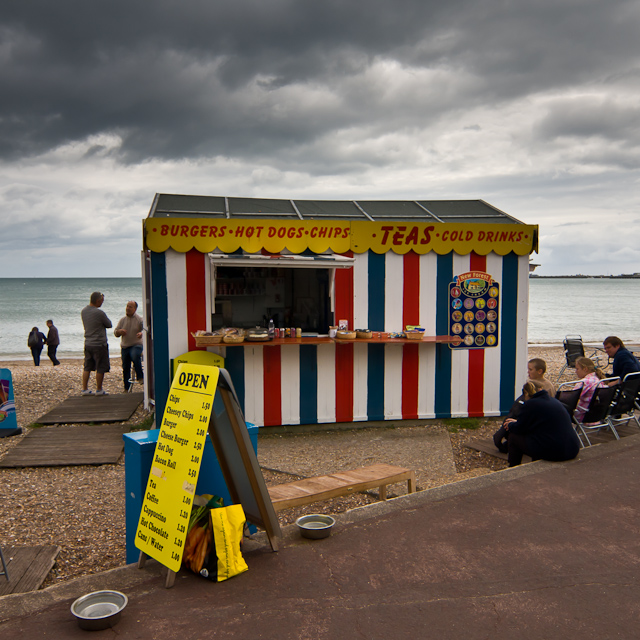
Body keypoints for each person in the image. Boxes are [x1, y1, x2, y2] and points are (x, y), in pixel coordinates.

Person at [503, 380, 581, 467]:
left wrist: (510, 424)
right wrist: (518, 423)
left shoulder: (530, 404)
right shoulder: (553, 401)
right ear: (540, 389)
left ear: (525, 393)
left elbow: (519, 428)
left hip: (557, 452)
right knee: (540, 437)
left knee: (514, 437)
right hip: (572, 448)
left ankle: (513, 467)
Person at [493, 358, 555, 453]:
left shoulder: (547, 387)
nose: (528, 372)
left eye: (530, 369)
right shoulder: (530, 382)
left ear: (540, 371)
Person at [81, 291, 112, 396]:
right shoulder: (99, 313)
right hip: (99, 343)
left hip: (88, 342)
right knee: (101, 366)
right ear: (98, 301)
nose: (102, 303)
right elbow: (109, 324)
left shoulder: (84, 311)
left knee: (87, 366)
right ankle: (99, 389)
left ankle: (84, 388)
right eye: (102, 301)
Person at [114, 300, 144, 391]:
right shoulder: (122, 320)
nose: (128, 308)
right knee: (125, 367)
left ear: (135, 309)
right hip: (125, 346)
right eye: (127, 306)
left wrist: (141, 333)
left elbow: (144, 329)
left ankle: (140, 376)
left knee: (135, 355)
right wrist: (119, 332)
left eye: (130, 307)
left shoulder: (139, 319)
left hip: (136, 345)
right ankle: (126, 388)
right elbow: (115, 332)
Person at [572, 357, 607, 421]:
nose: (575, 372)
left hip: (582, 415)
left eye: (577, 369)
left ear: (585, 369)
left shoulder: (584, 382)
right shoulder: (598, 380)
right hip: (597, 416)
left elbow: (571, 399)